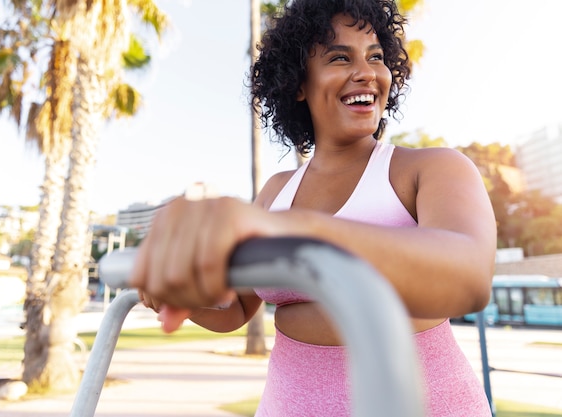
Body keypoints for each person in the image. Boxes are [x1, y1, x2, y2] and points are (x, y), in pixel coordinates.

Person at [130, 0, 497, 415]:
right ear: (298, 84)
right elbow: (237, 309)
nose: (366, 72)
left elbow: (469, 277)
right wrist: (176, 292)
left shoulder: (431, 168)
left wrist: (294, 231)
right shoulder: (275, 192)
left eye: (375, 57)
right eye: (340, 57)